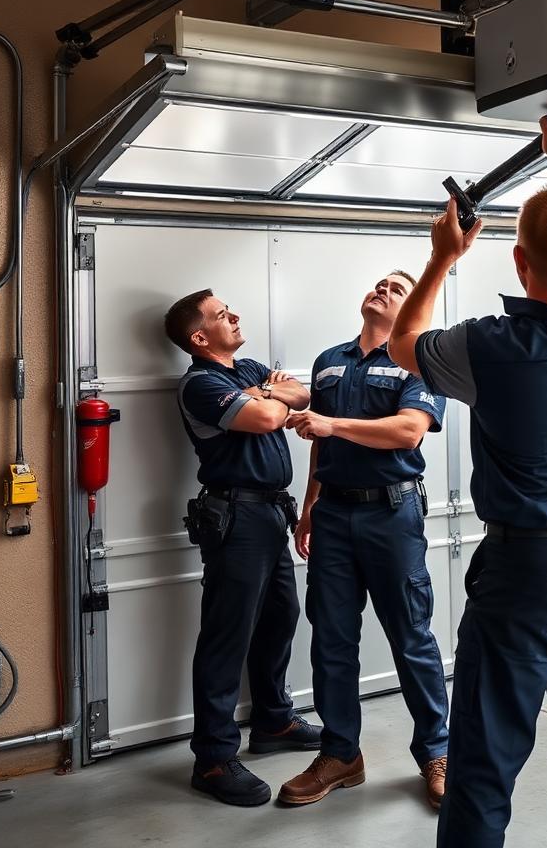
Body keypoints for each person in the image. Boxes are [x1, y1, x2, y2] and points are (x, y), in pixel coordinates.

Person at [389, 106, 547, 848]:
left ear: (518, 263)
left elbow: (404, 342)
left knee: (483, 763)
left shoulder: (488, 348)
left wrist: (442, 257)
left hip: (524, 570)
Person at [277, 271, 450, 811]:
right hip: (332, 515)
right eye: (379, 283)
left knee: (411, 637)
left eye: (396, 289)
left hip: (391, 514)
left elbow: (408, 431)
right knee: (331, 638)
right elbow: (317, 440)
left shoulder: (420, 362)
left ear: (410, 307)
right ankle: (340, 754)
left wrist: (332, 425)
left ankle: (438, 752)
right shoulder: (330, 360)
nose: (382, 290)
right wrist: (310, 506)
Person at [164, 289, 323, 808]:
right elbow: (269, 419)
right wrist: (270, 400)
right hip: (235, 516)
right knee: (226, 634)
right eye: (221, 314)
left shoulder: (249, 368)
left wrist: (266, 391)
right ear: (199, 336)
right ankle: (212, 759)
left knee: (281, 615)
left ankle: (274, 722)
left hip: (272, 512)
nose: (233, 316)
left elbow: (302, 395)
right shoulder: (200, 384)